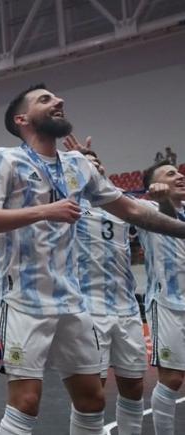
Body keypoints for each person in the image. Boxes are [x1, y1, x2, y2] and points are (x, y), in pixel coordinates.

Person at [0, 82, 185, 435]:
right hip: (24, 299)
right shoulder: (4, 158)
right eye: (45, 99)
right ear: (22, 119)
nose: (58, 101)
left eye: (56, 97)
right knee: (26, 400)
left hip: (72, 301)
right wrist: (45, 211)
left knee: (92, 400)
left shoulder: (77, 167)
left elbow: (131, 209)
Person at [62, 135, 148, 435]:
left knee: (134, 385)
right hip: (87, 309)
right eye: (85, 164)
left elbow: (161, 212)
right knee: (91, 395)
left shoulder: (125, 202)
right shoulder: (67, 203)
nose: (92, 166)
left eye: (96, 162)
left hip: (126, 306)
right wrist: (73, 165)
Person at [137, 160, 185, 435]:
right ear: (154, 186)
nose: (179, 176)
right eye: (170, 174)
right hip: (168, 304)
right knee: (172, 380)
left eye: (179, 171)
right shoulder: (146, 209)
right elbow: (168, 220)